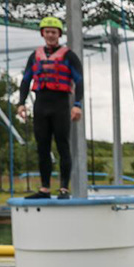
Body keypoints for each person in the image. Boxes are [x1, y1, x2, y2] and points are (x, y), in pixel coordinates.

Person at [17, 16, 84, 200]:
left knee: (63, 146)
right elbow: (25, 80)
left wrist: (77, 105)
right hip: (41, 105)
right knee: (42, 147)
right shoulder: (35, 56)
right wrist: (21, 102)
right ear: (42, 34)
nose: (50, 35)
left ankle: (64, 188)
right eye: (47, 32)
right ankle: (44, 188)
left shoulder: (68, 55)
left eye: (54, 32)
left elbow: (79, 81)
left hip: (61, 105)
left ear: (59, 34)